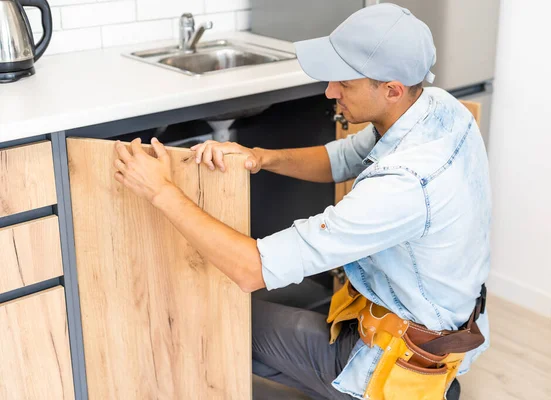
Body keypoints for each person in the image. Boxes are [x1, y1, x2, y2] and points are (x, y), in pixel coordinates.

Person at [113, 3, 491, 400]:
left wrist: (161, 191)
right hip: (435, 322)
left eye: (343, 82)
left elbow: (250, 269)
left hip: (397, 356)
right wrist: (260, 156)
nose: (329, 91)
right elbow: (342, 158)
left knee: (211, 311)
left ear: (391, 89)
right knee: (259, 299)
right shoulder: (438, 108)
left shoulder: (403, 185)